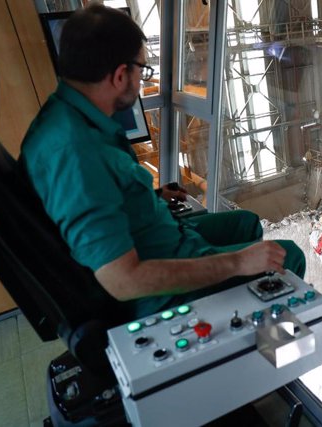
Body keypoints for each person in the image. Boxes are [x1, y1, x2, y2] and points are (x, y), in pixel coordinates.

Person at [19, 4, 305, 318]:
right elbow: (124, 281)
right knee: (287, 255)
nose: (143, 80)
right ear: (119, 75)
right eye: (143, 70)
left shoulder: (70, 116)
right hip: (157, 287)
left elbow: (104, 196)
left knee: (245, 222)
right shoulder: (75, 153)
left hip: (161, 237)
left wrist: (153, 196)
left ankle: (243, 297)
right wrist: (237, 263)